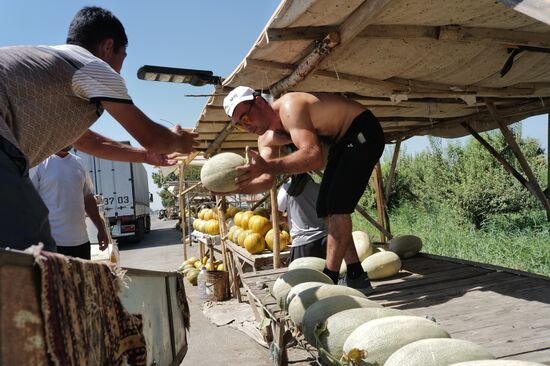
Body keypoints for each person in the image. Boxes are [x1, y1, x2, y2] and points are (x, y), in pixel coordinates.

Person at [0, 6, 198, 251]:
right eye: (122, 57)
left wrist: (144, 156)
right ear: (108, 47)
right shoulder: (91, 65)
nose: (119, 69)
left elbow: (88, 142)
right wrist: (180, 142)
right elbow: (153, 137)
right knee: (33, 252)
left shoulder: (51, 68)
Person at [222, 86, 385, 292]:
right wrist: (234, 188)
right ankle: (355, 274)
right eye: (239, 125)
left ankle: (329, 281)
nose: (246, 126)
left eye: (245, 117)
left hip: (362, 130)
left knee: (336, 207)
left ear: (260, 102)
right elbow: (266, 180)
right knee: (324, 209)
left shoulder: (291, 106)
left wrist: (270, 165)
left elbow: (313, 156)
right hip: (342, 143)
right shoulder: (265, 139)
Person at [30, 146, 109, 259]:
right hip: (53, 244)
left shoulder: (79, 162)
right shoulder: (40, 164)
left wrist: (101, 229)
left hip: (82, 242)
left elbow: (88, 198)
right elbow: (30, 200)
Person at [278, 173, 327, 262]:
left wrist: (288, 218)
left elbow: (277, 217)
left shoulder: (286, 189)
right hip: (324, 241)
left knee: (302, 275)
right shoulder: (318, 188)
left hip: (302, 244)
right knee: (323, 275)